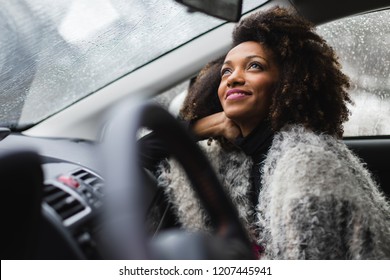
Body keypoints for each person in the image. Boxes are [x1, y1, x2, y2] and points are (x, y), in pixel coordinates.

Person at [140, 6, 390, 259]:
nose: (233, 78)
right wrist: (209, 125)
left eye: (255, 66)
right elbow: (134, 157)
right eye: (226, 70)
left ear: (288, 83)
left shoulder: (307, 164)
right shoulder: (235, 153)